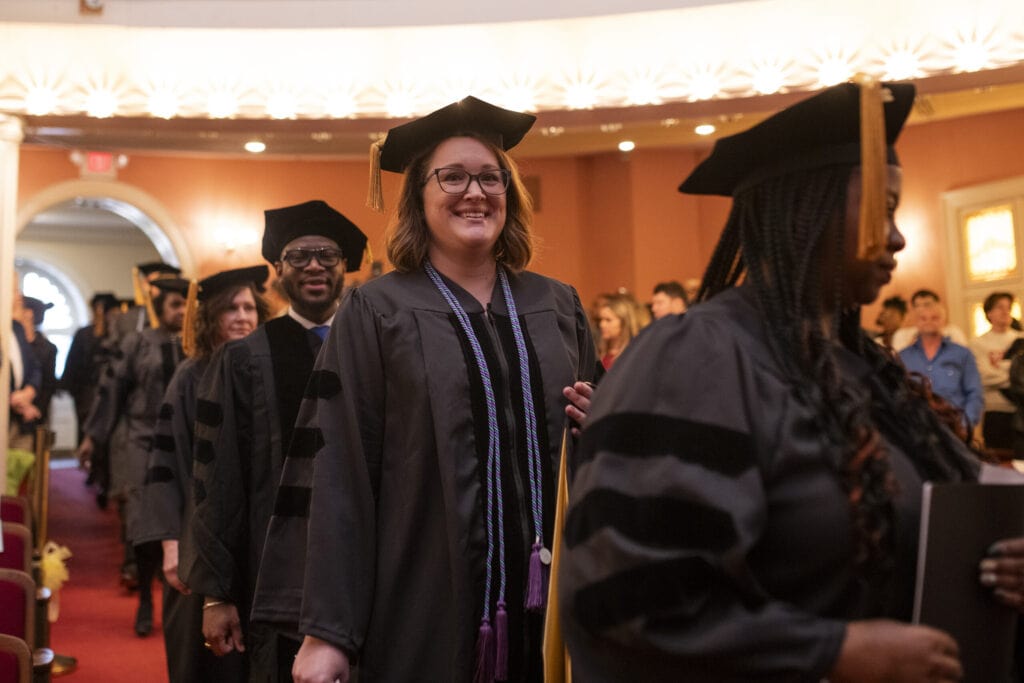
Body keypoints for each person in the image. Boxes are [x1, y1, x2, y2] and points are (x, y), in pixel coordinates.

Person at [558, 80, 1024, 682]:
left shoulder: (866, 369)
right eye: (882, 209)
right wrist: (833, 652)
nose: (898, 236)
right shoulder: (698, 356)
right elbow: (625, 597)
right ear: (809, 209)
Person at [270, 96, 597, 683]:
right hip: (425, 598)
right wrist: (328, 632)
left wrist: (604, 427)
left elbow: (592, 441)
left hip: (558, 600)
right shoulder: (376, 310)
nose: (475, 191)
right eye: (452, 177)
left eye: (490, 177)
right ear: (419, 197)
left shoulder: (559, 304)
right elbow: (340, 469)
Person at [183, 200, 368, 681]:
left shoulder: (373, 350)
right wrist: (216, 593)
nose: (314, 265)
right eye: (299, 255)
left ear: (345, 267)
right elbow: (216, 478)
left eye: (327, 255)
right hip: (270, 572)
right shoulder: (244, 359)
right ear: (279, 270)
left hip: (364, 566)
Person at [133, 265, 270, 683]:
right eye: (231, 308)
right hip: (199, 543)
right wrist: (171, 546)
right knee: (203, 663)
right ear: (211, 317)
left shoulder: (266, 374)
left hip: (258, 542)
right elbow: (165, 465)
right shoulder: (191, 376)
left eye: (250, 307)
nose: (243, 316)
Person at [78, 276, 189, 636]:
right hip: (144, 440)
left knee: (185, 524)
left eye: (187, 304)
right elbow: (111, 392)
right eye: (175, 304)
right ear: (160, 308)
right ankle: (144, 597)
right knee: (144, 525)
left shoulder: (196, 345)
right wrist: (94, 437)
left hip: (186, 444)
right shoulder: (138, 342)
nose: (182, 310)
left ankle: (183, 603)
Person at [899, 302, 983, 433]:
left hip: (956, 428)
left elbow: (974, 393)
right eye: (923, 318)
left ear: (944, 321)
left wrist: (966, 424)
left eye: (935, 318)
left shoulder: (962, 354)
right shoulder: (903, 356)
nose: (929, 322)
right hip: (915, 430)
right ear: (916, 322)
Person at [969, 291, 1022, 451]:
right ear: (989, 313)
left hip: (1020, 409)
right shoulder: (977, 343)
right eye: (1000, 307)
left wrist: (998, 375)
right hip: (994, 412)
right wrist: (1015, 376)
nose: (1005, 311)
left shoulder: (1020, 339)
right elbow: (982, 377)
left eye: (1008, 307)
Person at [8, 285, 42, 451]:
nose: (19, 296)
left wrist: (28, 392)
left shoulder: (17, 328)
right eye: (14, 289)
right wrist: (12, 399)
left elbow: (34, 366)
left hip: (20, 420)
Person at [18, 296, 59, 428]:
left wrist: (37, 411)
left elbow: (48, 385)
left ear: (29, 314)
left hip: (35, 415)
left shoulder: (48, 349)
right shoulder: (14, 343)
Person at [890, 289, 967, 351]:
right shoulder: (902, 335)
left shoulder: (953, 332)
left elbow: (963, 358)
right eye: (917, 306)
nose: (922, 309)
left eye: (927, 305)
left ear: (938, 306)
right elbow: (899, 361)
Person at [597, 292, 649, 370]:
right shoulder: (601, 352)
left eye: (608, 320)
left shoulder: (635, 354)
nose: (602, 324)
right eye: (601, 319)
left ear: (624, 322)